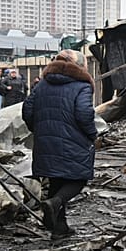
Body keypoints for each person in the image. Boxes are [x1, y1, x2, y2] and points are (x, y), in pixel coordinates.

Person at [22, 50, 97, 239]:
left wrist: (38, 130)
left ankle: (59, 227)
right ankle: (55, 203)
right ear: (79, 66)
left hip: (45, 140)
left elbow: (27, 110)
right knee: (78, 178)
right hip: (74, 139)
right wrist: (92, 134)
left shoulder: (42, 84)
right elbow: (84, 114)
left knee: (56, 180)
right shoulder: (82, 85)